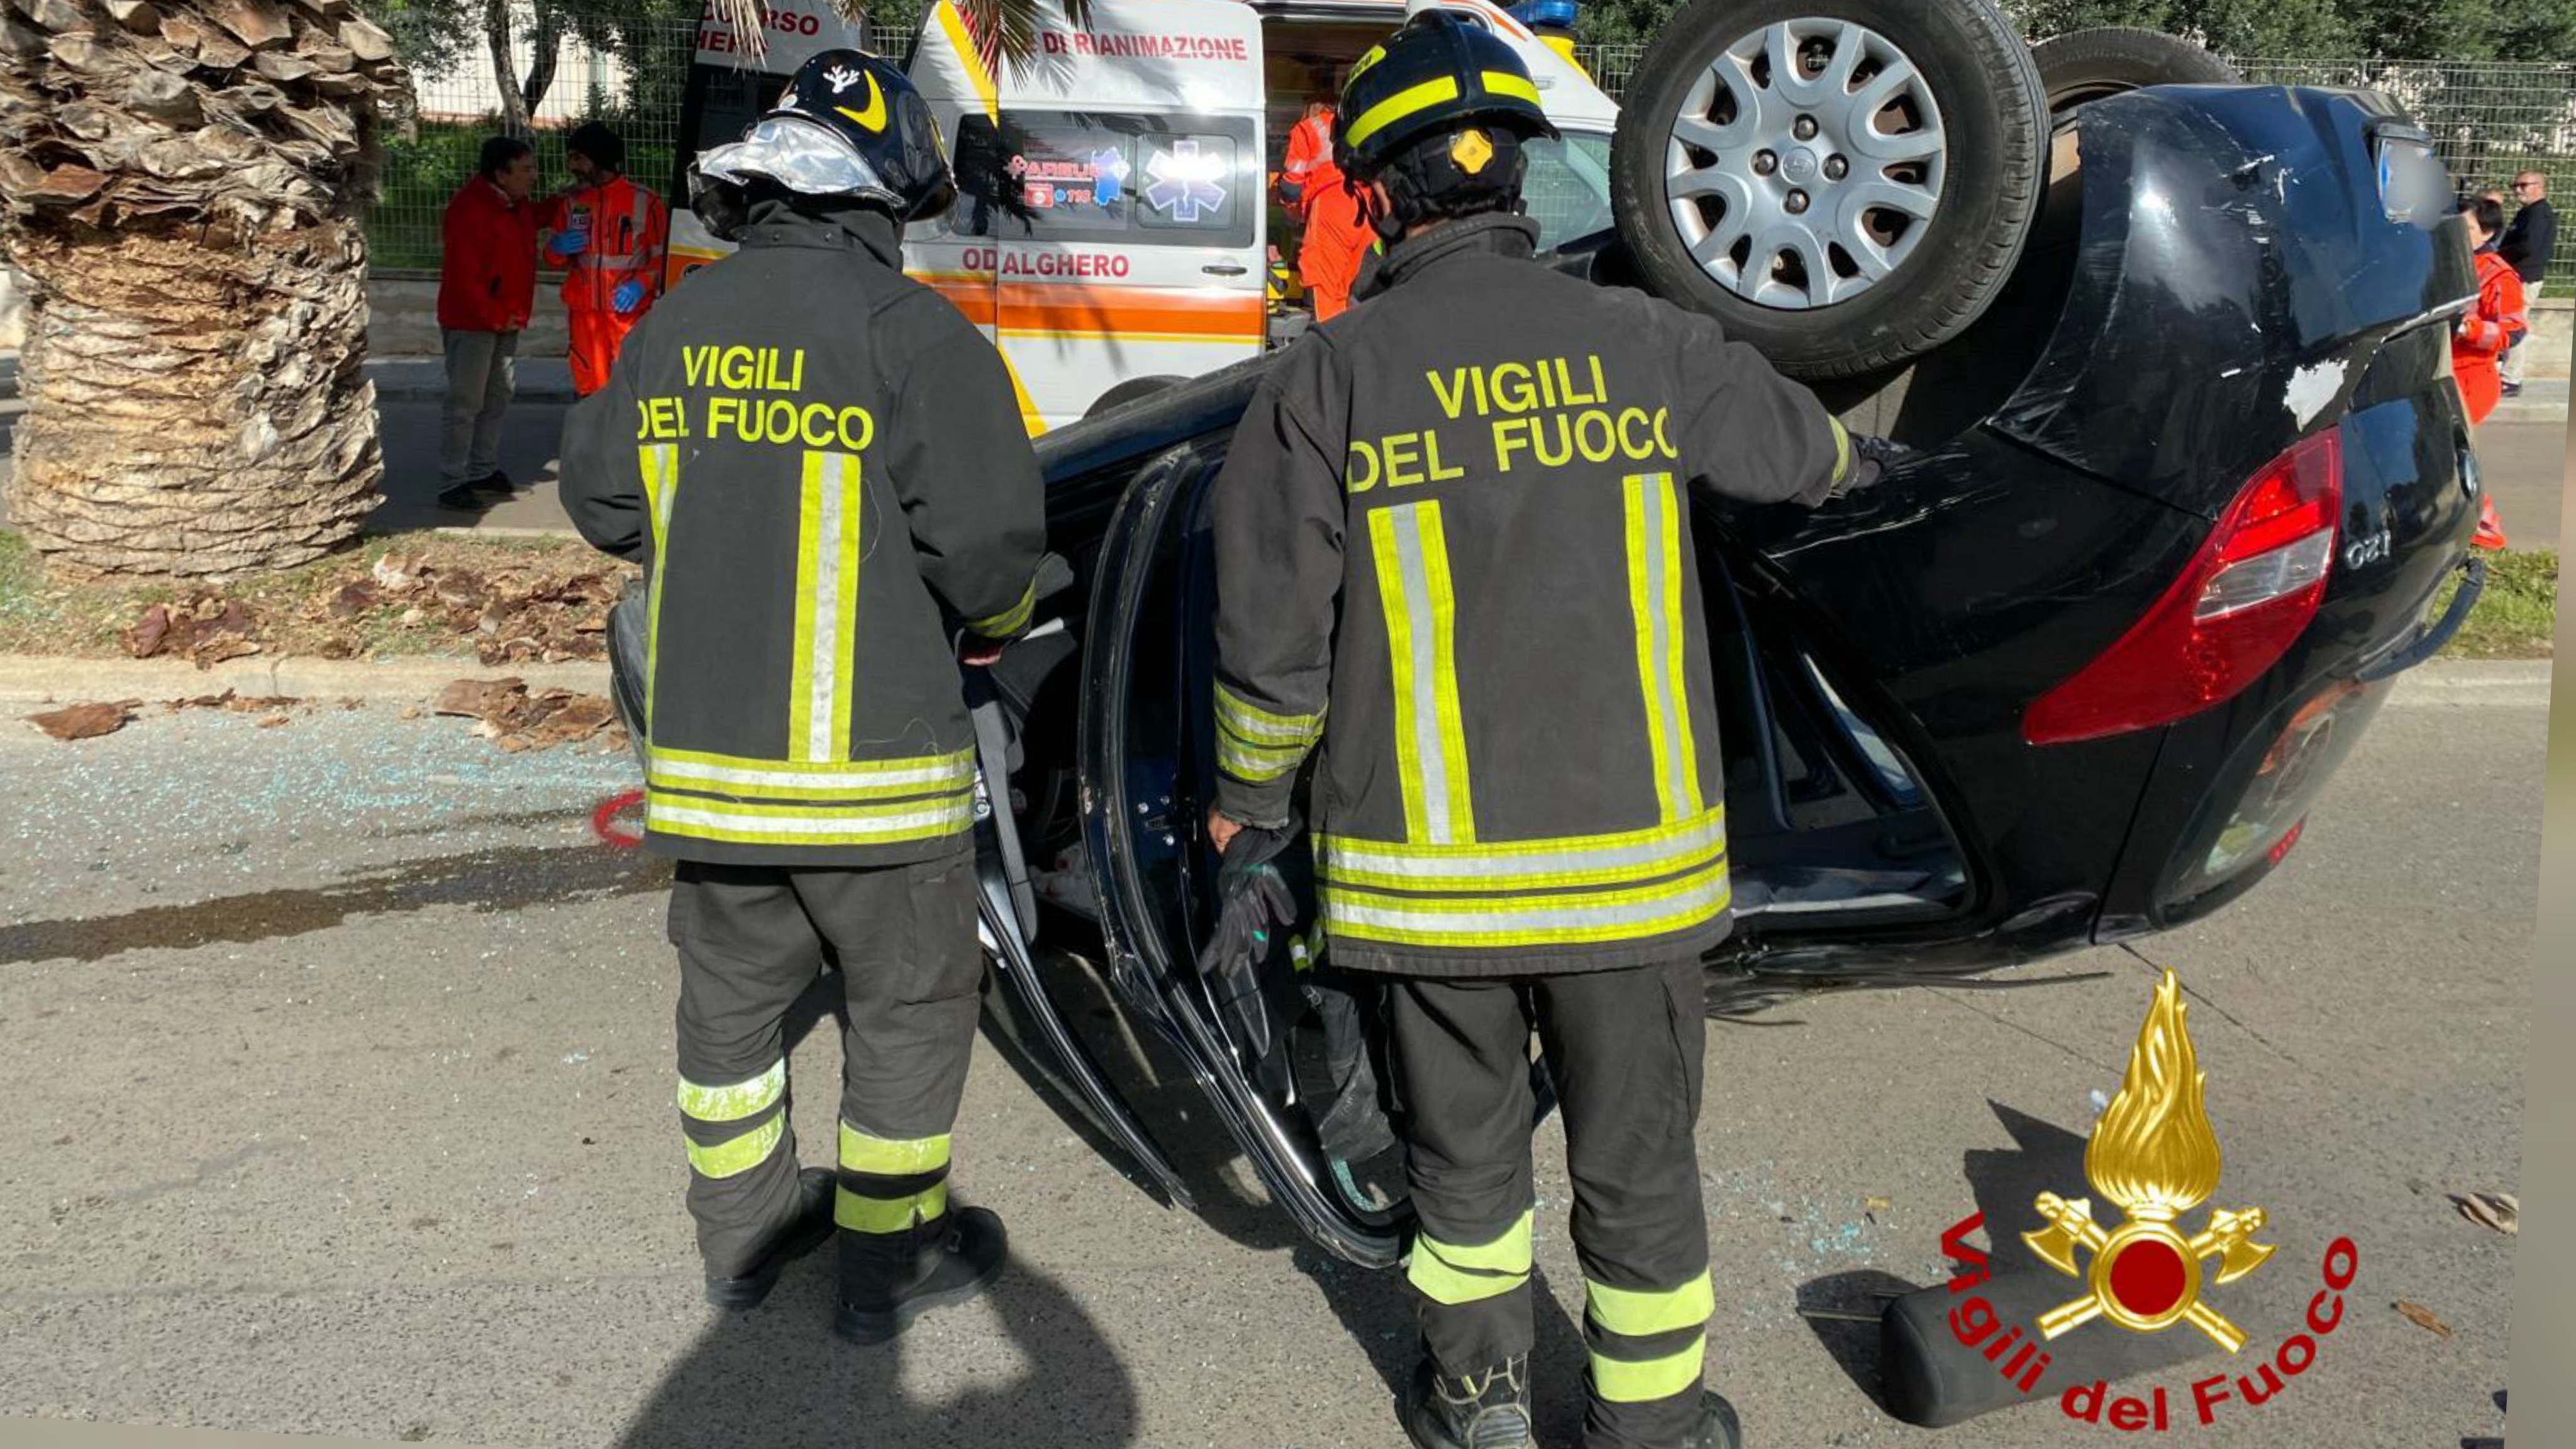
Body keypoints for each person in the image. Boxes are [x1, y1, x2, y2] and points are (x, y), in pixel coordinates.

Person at [1202, 15, 1896, 1449]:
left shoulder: (1323, 382)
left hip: (1425, 888)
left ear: (1377, 195)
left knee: (1462, 1175)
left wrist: (1243, 800)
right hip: (1628, 887)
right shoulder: (1649, 344)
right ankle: (1650, 1426)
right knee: (1639, 1175)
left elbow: (1269, 642)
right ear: (1516, 178)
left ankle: (1477, 1403)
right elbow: (1813, 464)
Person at [559, 49, 1045, 1343]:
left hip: (715, 778)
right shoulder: (910, 335)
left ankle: (744, 1239)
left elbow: (604, 503)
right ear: (879, 197)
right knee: (905, 1012)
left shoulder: (673, 326)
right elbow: (993, 558)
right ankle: (885, 1263)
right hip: (879, 787)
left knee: (728, 1017)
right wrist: (996, 630)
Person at [435, 136, 540, 511]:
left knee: (498, 395)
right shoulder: (470, 209)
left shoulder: (516, 205)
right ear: (501, 173)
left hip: (503, 320)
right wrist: (496, 316)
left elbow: (538, 217)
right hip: (473, 323)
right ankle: (452, 480)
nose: (533, 176)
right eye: (526, 169)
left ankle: (482, 470)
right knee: (466, 401)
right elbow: (465, 280)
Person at [537, 122, 670, 397]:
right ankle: (593, 441)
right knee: (589, 396)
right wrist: (557, 248)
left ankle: (625, 442)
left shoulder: (646, 202)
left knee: (633, 392)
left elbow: (663, 261)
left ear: (599, 158)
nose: (571, 165)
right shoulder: (571, 202)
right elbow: (552, 259)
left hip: (628, 318)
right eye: (570, 157)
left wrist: (641, 284)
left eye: (578, 158)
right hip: (585, 320)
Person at [1277, 76, 1372, 321]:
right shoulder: (1357, 125)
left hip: (1331, 203)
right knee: (1350, 283)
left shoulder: (1308, 128)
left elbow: (1291, 185)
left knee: (1325, 280)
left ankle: (1331, 343)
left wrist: (1290, 208)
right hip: (1368, 203)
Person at [2455, 196, 2528, 426]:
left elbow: (2513, 331)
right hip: (2435, 374)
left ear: (2487, 233)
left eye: (2466, 228)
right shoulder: (2446, 264)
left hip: (2469, 382)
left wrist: (2467, 329)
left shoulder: (2498, 276)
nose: (2456, 234)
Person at [2499, 171, 2554, 397]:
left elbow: (2529, 247)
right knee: (2508, 324)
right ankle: (2505, 374)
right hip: (2517, 277)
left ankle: (2512, 379)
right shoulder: (2529, 213)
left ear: (2539, 187)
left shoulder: (2539, 214)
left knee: (2515, 327)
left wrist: (2500, 255)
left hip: (2524, 279)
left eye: (2523, 185)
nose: (2517, 190)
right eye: (2515, 185)